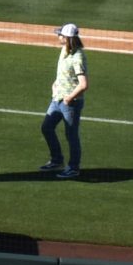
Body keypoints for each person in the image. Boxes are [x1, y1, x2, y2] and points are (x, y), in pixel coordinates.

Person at [40, 23, 90, 179]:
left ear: (67, 38)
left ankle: (73, 167)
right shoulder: (64, 51)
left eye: (60, 35)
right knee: (47, 127)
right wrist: (56, 83)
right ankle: (57, 160)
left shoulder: (77, 57)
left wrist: (69, 98)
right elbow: (63, 73)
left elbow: (83, 84)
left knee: (71, 136)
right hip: (57, 99)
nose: (58, 37)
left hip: (70, 103)